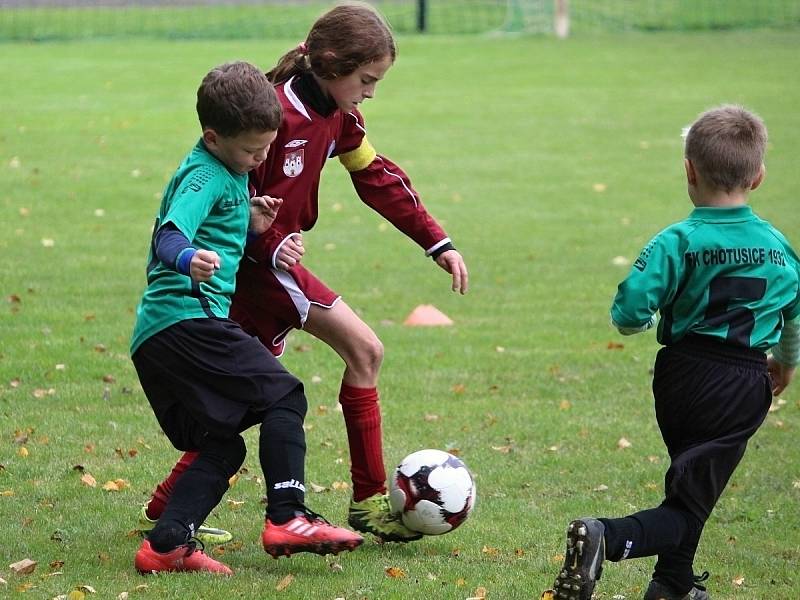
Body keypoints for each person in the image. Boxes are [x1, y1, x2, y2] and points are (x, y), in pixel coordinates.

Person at [143, 2, 469, 544]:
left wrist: (435, 240)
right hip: (251, 269)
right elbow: (232, 200)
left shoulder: (340, 117)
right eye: (366, 79)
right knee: (364, 351)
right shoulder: (267, 118)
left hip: (263, 269)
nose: (370, 92)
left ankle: (167, 507)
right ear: (332, 63)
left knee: (249, 402)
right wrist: (268, 245)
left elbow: (377, 177)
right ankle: (365, 503)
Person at [550, 105, 800, 600]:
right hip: (740, 381)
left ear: (689, 170)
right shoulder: (778, 247)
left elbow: (629, 310)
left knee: (691, 487)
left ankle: (673, 585)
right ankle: (607, 536)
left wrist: (644, 321)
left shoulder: (676, 240)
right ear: (759, 176)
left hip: (678, 376)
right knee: (691, 505)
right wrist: (785, 365)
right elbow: (794, 315)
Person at [131, 61, 362, 575]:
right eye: (252, 150)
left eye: (266, 147)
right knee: (284, 394)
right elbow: (170, 234)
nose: (261, 158)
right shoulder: (204, 174)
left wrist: (249, 223)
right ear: (212, 137)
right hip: (188, 319)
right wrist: (188, 257)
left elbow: (220, 223)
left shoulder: (228, 174)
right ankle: (288, 514)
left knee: (221, 444)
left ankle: (167, 544)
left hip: (157, 338)